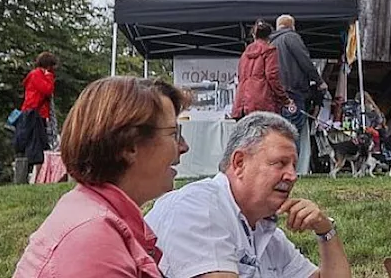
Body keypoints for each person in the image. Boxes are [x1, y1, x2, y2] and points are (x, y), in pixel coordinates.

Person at [14, 76, 191, 277]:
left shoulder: (91, 214)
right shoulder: (93, 240)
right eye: (174, 134)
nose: (184, 147)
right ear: (129, 146)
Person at [146, 111, 352, 278]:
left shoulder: (264, 232)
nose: (292, 176)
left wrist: (325, 230)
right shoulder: (197, 208)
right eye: (279, 163)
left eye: (294, 166)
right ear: (239, 163)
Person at [272, 15, 325, 175]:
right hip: (293, 91)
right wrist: (318, 80)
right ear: (292, 26)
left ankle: (278, 169)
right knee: (292, 132)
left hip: (278, 93)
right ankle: (290, 171)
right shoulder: (291, 38)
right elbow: (304, 60)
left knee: (279, 132)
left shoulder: (272, 42)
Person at [232, 20, 289, 118]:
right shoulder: (270, 51)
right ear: (269, 36)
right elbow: (272, 76)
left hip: (242, 102)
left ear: (254, 36)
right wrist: (284, 99)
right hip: (263, 102)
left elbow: (240, 77)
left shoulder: (245, 54)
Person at [16, 51, 58, 182]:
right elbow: (47, 90)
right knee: (37, 146)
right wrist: (49, 77)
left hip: (37, 113)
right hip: (35, 114)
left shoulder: (36, 75)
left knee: (39, 145)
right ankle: (35, 178)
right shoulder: (37, 75)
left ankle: (36, 176)